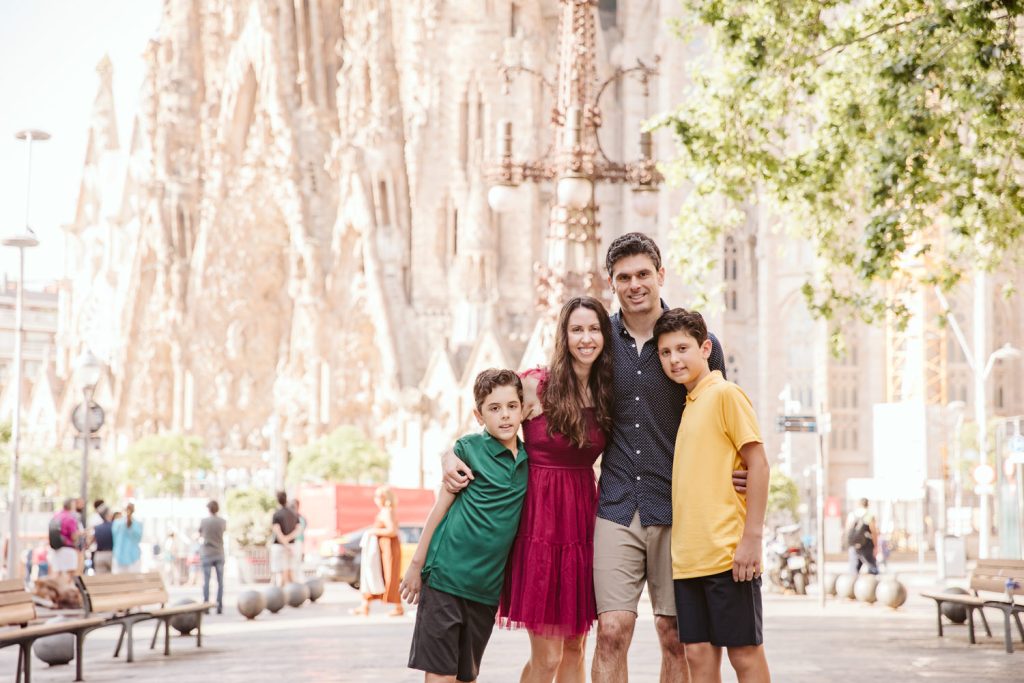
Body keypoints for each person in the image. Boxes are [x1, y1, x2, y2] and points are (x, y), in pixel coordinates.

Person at [496, 296, 614, 683]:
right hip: (539, 523)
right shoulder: (535, 384)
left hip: (581, 521)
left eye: (594, 329)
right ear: (563, 336)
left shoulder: (607, 393)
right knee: (546, 657)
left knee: (576, 648)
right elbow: (492, 432)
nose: (586, 338)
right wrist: (452, 457)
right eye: (576, 329)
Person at [655, 308, 771, 682]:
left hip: (728, 554)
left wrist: (751, 539)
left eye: (682, 348)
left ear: (705, 348)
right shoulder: (688, 406)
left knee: (745, 654)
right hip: (689, 559)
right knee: (699, 658)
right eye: (665, 352)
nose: (674, 359)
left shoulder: (725, 394)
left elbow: (759, 464)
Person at [402, 368, 529, 683]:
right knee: (441, 675)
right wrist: (415, 565)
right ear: (479, 414)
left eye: (512, 406)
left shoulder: (531, 460)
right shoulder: (468, 450)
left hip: (485, 591)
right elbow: (439, 509)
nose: (504, 416)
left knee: (466, 676)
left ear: (523, 409)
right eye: (494, 408)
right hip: (446, 578)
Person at [351, 486, 404, 616]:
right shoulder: (384, 511)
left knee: (389, 575)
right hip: (381, 548)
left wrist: (372, 531)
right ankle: (365, 605)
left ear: (385, 498)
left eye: (378, 496)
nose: (375, 499)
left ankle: (398, 607)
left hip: (388, 548)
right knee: (374, 574)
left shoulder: (388, 511)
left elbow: (392, 531)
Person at [199, 499, 227, 614]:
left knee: (206, 581)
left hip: (207, 553)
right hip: (219, 552)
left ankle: (206, 605)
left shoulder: (204, 521)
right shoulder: (222, 521)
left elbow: (200, 533)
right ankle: (219, 605)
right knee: (220, 582)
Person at [270, 490, 299, 585]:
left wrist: (285, 542)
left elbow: (277, 532)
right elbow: (298, 530)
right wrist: (288, 540)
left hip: (279, 547)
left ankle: (281, 596)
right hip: (292, 546)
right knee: (290, 572)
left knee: (280, 573)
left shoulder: (276, 514)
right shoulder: (294, 513)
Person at [846, 498, 880, 575]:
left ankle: (852, 583)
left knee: (853, 568)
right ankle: (873, 584)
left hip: (853, 545)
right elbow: (874, 532)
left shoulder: (852, 514)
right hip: (866, 545)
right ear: (868, 504)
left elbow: (847, 530)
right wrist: (875, 545)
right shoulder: (869, 515)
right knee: (872, 567)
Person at [49, 499, 81, 579]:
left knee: (58, 574)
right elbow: (74, 536)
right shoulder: (70, 518)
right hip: (68, 549)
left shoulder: (56, 515)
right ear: (71, 506)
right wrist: (81, 534)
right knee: (70, 575)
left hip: (56, 548)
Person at [112, 502, 144, 573]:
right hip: (130, 558)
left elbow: (114, 540)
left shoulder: (117, 523)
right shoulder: (137, 524)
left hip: (123, 557)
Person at [92, 507, 114, 574]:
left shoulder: (97, 527)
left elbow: (91, 541)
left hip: (99, 555)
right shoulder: (115, 526)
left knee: (100, 578)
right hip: (111, 554)